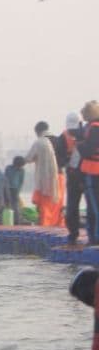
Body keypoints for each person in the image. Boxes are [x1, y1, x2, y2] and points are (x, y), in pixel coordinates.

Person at [26, 121, 62, 226]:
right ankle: (57, 227)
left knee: (44, 206)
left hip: (45, 179)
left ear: (37, 131)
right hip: (60, 177)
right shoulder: (59, 140)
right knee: (57, 206)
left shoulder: (40, 142)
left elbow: (29, 158)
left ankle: (44, 227)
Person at [78, 101, 99, 245]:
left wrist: (79, 144)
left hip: (93, 172)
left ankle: (95, 239)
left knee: (94, 208)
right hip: (93, 172)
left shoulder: (93, 129)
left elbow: (88, 150)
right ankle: (93, 237)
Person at [63, 113, 85, 244]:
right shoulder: (63, 138)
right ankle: (73, 233)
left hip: (89, 176)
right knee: (71, 208)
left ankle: (94, 235)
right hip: (73, 177)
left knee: (94, 208)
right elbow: (59, 156)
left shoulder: (90, 134)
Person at [4, 156, 27, 225]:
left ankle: (16, 221)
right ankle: (8, 221)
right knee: (8, 205)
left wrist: (18, 191)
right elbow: (5, 179)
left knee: (16, 206)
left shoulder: (22, 170)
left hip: (15, 190)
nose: (20, 167)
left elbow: (21, 181)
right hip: (7, 189)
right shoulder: (8, 168)